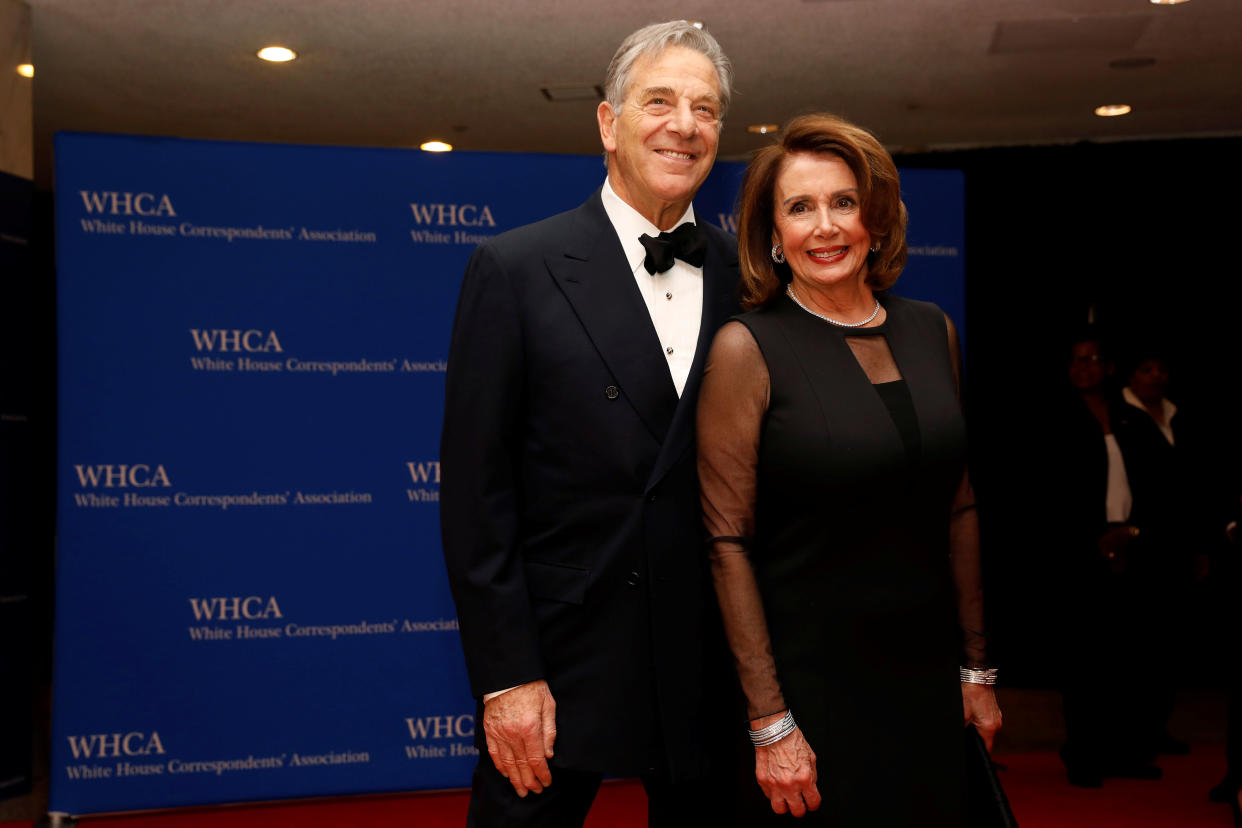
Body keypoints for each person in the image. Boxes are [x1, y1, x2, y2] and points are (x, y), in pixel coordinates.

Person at [440, 20, 741, 828]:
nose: (685, 124)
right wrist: (506, 677)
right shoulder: (514, 268)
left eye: (705, 109)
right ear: (608, 124)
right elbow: (477, 495)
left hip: (709, 664)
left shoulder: (744, 281)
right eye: (660, 101)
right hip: (563, 661)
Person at [697, 113, 1001, 824]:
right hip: (811, 688)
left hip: (925, 679)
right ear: (773, 235)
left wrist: (976, 668)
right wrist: (770, 720)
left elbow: (958, 506)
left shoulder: (932, 330)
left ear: (876, 217)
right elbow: (725, 541)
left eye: (843, 202)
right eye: (799, 208)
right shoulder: (748, 348)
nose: (825, 226)